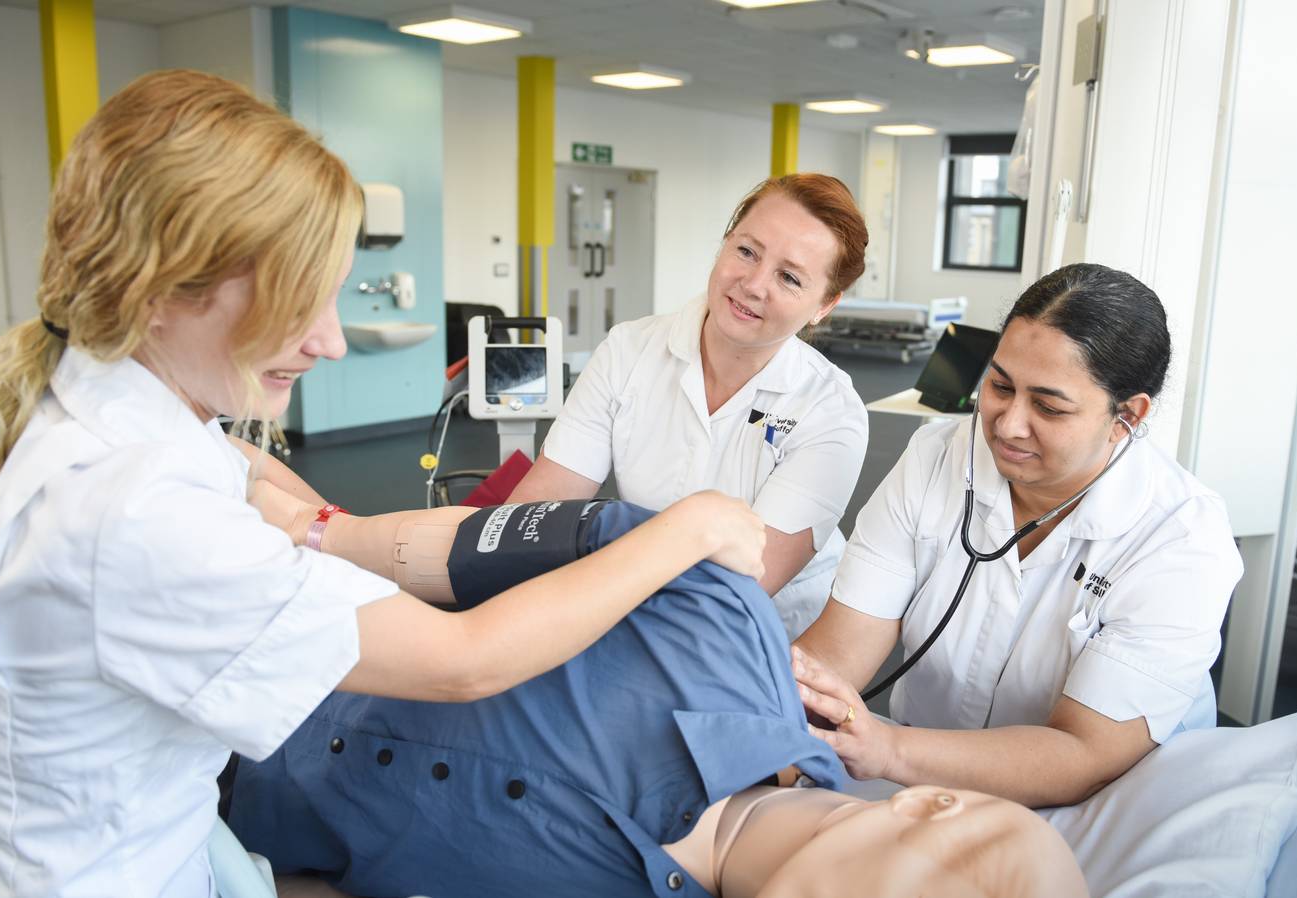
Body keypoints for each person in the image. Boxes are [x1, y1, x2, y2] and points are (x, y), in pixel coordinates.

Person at [0, 70, 765, 898]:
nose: (330, 342)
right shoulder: (137, 512)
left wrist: (328, 528)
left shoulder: (100, 408)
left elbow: (252, 479)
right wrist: (690, 527)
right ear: (164, 287)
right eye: (300, 299)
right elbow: (465, 663)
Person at [227, 499, 1089, 898]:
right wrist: (301, 522)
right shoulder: (719, 616)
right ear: (935, 805)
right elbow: (443, 550)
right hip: (233, 598)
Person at [793, 263, 1245, 809]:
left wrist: (889, 749)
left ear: (1126, 415)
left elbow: (1084, 753)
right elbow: (842, 648)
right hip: (917, 772)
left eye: (1049, 406)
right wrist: (765, 746)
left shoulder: (1182, 539)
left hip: (1101, 808)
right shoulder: (936, 460)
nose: (1007, 424)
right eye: (1000, 386)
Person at [506, 173, 871, 638]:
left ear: (825, 305)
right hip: (628, 599)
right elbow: (536, 510)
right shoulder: (628, 351)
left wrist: (580, 599)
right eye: (746, 251)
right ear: (725, 243)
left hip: (764, 635)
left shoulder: (830, 411)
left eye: (789, 277)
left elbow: (743, 587)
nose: (754, 284)